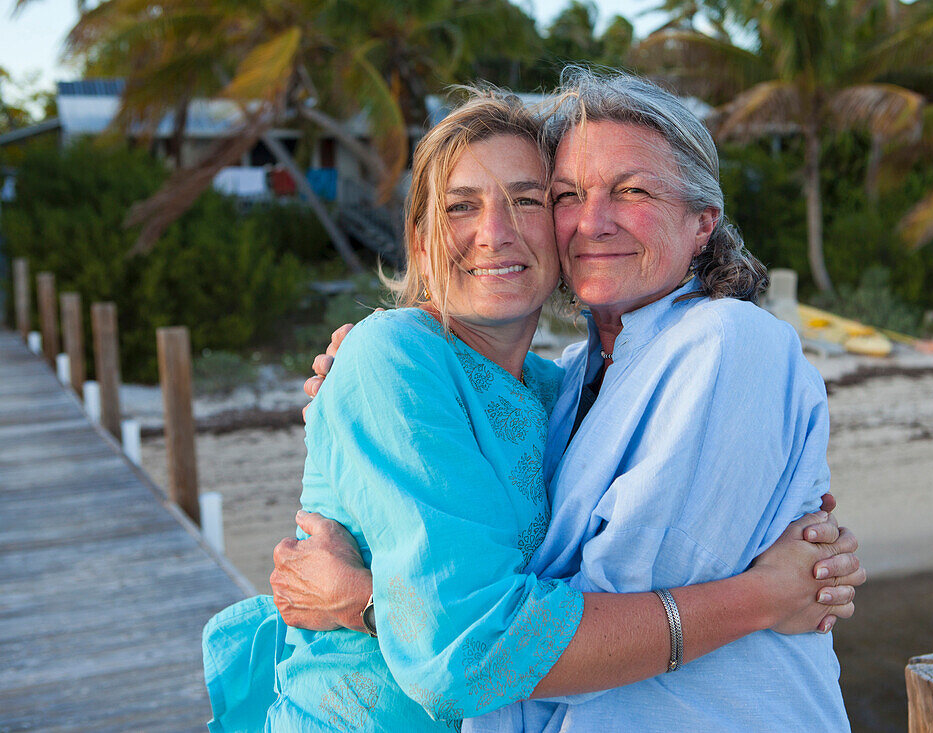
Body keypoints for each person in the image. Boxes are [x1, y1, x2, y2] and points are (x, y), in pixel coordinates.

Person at [205, 90, 862, 732]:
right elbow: (473, 646)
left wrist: (362, 598)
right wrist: (767, 595)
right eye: (462, 206)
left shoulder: (567, 384)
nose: (496, 233)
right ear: (421, 241)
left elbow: (553, 607)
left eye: (529, 199)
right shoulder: (398, 355)